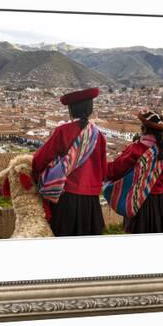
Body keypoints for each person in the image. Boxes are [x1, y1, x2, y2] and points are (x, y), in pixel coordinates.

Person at [32, 87, 107, 236]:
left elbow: (40, 159)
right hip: (91, 201)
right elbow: (103, 171)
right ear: (90, 109)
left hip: (66, 198)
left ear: (71, 111)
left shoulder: (63, 131)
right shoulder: (99, 136)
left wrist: (39, 174)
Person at [106, 110, 163, 233]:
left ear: (143, 129)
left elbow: (115, 170)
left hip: (137, 202)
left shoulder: (135, 149)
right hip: (158, 204)